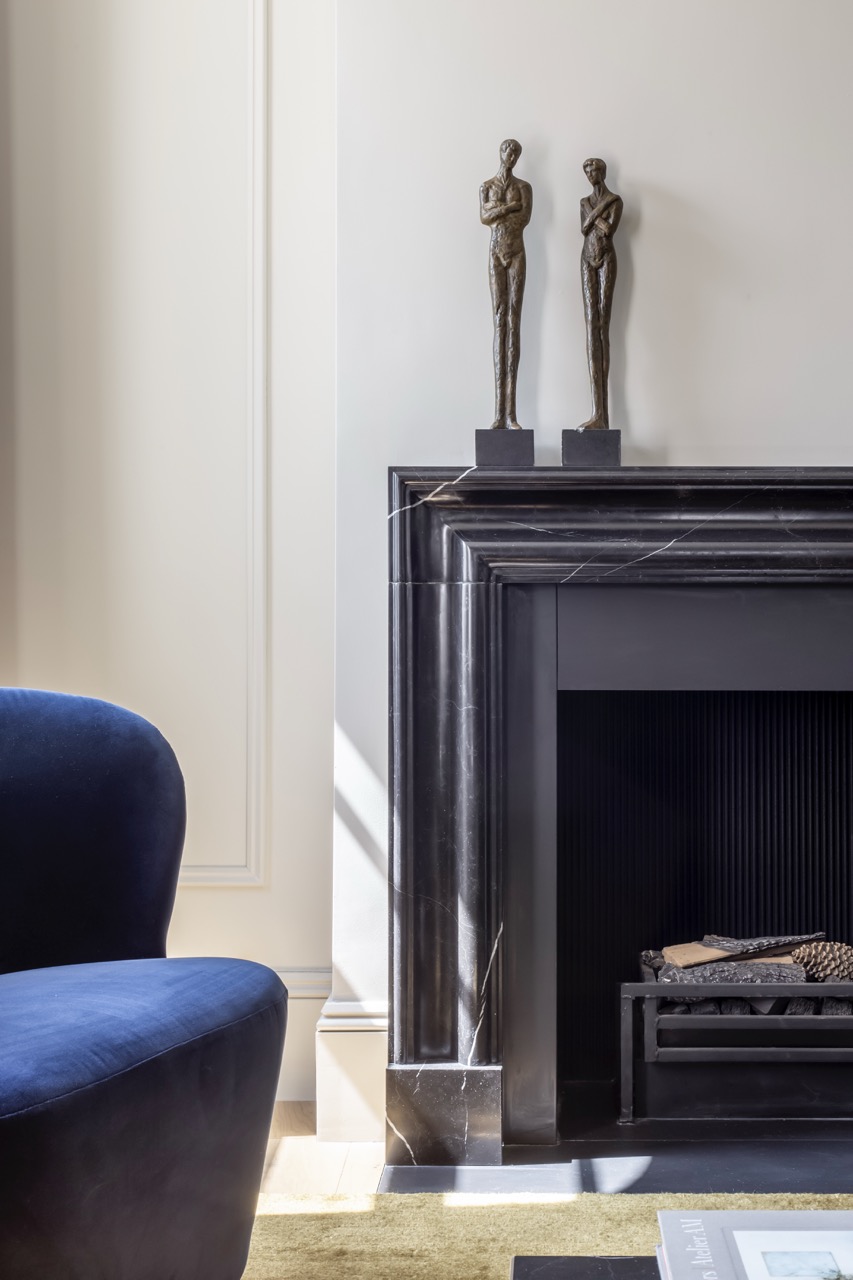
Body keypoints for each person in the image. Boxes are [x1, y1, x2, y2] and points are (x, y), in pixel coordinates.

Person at [480, 139, 532, 430]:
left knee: (514, 322)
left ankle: (511, 414)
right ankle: (498, 414)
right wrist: (506, 208)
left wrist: (500, 209)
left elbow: (523, 218)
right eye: (507, 151)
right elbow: (483, 216)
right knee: (499, 322)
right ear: (500, 153)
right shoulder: (486, 186)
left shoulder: (524, 188)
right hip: (495, 254)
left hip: (516, 253)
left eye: (515, 152)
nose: (510, 156)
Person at [579, 157, 622, 430]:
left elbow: (608, 230)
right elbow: (585, 229)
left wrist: (594, 218)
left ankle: (603, 416)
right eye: (586, 171)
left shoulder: (615, 200)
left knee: (603, 328)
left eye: (593, 170)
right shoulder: (584, 202)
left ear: (602, 172)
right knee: (590, 329)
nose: (590, 174)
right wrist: (597, 217)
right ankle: (597, 412)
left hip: (606, 259)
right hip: (586, 259)